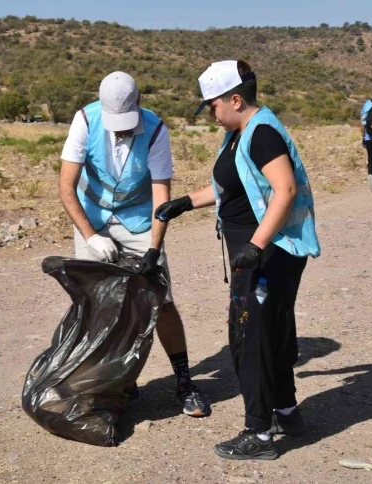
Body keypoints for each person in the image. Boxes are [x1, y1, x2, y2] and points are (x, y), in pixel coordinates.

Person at [155, 60, 321, 460]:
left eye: (212, 105)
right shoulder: (240, 132)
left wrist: (257, 245)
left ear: (235, 99)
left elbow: (284, 190)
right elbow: (231, 185)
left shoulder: (262, 133)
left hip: (268, 251)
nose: (210, 113)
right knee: (273, 331)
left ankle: (259, 434)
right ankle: (285, 411)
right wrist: (185, 203)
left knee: (252, 339)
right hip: (260, 249)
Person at [57, 71, 210, 417]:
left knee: (162, 300)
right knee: (96, 307)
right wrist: (91, 236)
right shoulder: (84, 121)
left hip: (141, 220)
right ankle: (115, 382)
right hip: (93, 219)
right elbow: (66, 188)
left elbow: (161, 195)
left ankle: (185, 382)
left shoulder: (156, 130)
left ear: (139, 101)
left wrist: (154, 249)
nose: (122, 129)